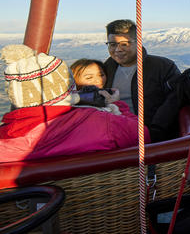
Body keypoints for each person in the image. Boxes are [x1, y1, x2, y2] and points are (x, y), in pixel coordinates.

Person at [0, 44, 146, 162]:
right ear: (68, 85)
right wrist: (117, 106)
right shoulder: (102, 123)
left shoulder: (5, 137)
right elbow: (142, 134)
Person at [103, 19, 181, 141]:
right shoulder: (104, 70)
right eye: (113, 44)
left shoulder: (163, 67)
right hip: (113, 134)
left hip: (151, 135)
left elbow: (175, 100)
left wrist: (155, 131)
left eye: (124, 44)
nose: (118, 49)